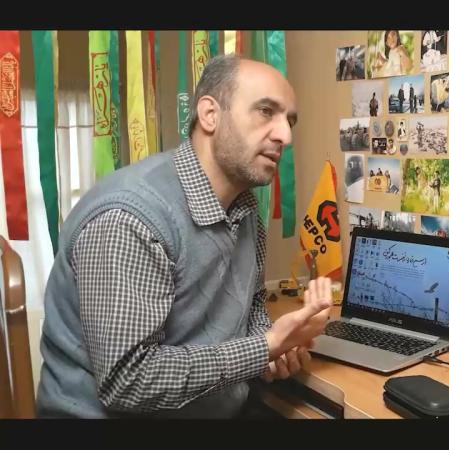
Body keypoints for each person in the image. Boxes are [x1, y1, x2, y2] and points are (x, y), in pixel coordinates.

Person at [36, 55, 333, 418]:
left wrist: (276, 348)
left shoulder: (245, 208)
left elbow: (252, 303)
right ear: (209, 115)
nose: (285, 135)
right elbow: (129, 381)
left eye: (289, 121)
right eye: (266, 111)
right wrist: (265, 347)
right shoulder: (129, 217)